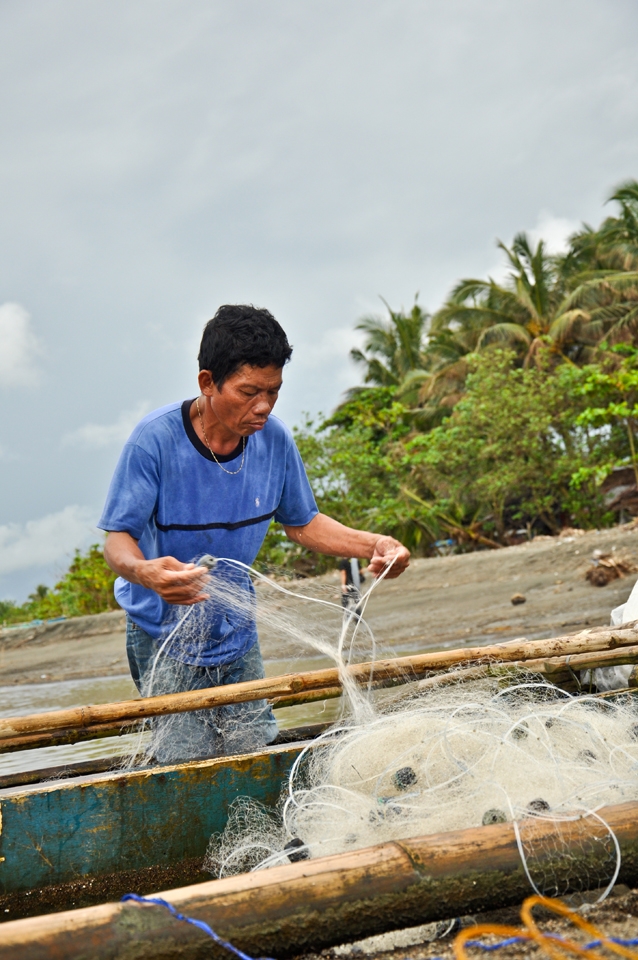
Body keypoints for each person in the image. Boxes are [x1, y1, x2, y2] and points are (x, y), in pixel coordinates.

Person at [99, 304, 410, 763]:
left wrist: (379, 545)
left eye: (273, 391)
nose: (262, 406)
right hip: (161, 630)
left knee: (254, 749)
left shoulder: (274, 440)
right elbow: (117, 541)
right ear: (208, 383)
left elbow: (303, 523)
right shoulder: (155, 441)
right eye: (248, 392)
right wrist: (146, 572)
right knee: (186, 759)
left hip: (235, 623)